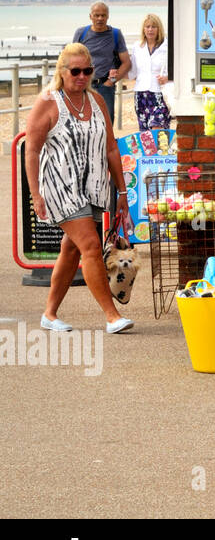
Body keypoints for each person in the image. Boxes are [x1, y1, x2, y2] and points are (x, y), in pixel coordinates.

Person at [24, 43, 134, 334]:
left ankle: (49, 313)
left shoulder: (96, 101)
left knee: (71, 251)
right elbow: (31, 151)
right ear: (62, 71)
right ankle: (112, 316)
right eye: (75, 71)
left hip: (94, 187)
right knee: (91, 246)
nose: (82, 76)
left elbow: (111, 148)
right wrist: (36, 194)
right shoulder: (48, 102)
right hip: (61, 188)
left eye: (87, 71)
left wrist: (121, 192)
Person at [72, 2, 132, 119]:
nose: (100, 18)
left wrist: (110, 82)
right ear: (90, 16)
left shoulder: (115, 34)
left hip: (105, 86)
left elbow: (126, 63)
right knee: (82, 120)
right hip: (83, 85)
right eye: (96, 15)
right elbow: (71, 60)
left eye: (103, 15)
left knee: (107, 122)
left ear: (108, 16)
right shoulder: (81, 33)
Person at [128, 13, 170, 130]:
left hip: (160, 94)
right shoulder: (137, 46)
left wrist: (168, 78)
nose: (150, 29)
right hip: (141, 95)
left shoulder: (168, 46)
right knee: (146, 136)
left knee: (158, 130)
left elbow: (179, 70)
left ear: (159, 29)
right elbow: (132, 72)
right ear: (143, 29)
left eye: (153, 27)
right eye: (147, 26)